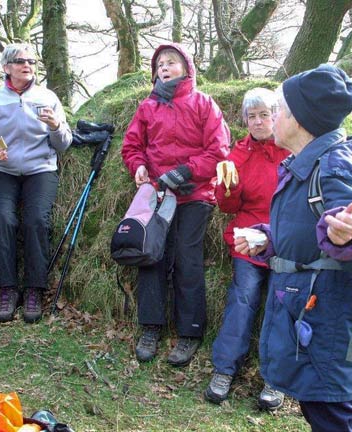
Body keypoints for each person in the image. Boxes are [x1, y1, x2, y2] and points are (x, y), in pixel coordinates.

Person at [235, 64, 352, 431]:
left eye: (279, 109)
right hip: (309, 308)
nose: (273, 117)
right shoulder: (304, 164)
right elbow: (306, 228)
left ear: (300, 120)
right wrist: (268, 238)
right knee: (322, 412)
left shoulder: (333, 168)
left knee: (333, 416)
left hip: (330, 316)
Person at [122, 43, 230, 366]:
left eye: (171, 62)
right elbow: (131, 146)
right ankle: (150, 327)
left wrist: (185, 171)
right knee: (151, 254)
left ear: (187, 67)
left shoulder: (203, 103)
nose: (165, 68)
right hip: (156, 195)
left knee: (186, 255)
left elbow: (220, 151)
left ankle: (190, 332)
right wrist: (138, 166)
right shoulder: (147, 107)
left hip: (194, 194)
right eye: (160, 64)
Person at [0, 43, 72, 324]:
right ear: (6, 68)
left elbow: (64, 143)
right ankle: (6, 290)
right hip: (2, 170)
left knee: (36, 220)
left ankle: (34, 291)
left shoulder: (48, 97)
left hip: (40, 170)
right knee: (3, 219)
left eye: (30, 60)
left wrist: (55, 126)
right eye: (19, 61)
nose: (27, 64)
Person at [204, 88, 289, 408]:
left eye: (264, 115)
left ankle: (276, 378)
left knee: (282, 303)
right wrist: (228, 187)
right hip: (249, 239)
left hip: (286, 238)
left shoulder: (291, 149)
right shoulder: (237, 154)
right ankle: (224, 370)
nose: (257, 122)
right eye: (251, 116)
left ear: (276, 115)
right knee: (243, 298)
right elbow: (228, 206)